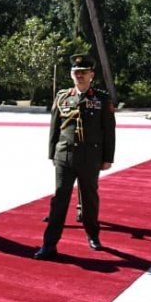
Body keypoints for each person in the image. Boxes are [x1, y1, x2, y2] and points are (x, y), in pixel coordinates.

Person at [34, 54, 116, 260]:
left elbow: (109, 130)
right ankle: (49, 244)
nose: (80, 75)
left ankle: (93, 235)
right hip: (65, 155)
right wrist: (52, 153)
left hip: (90, 156)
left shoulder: (101, 99)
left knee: (89, 198)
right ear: (72, 75)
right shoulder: (63, 97)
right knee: (59, 199)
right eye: (76, 72)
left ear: (91, 75)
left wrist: (108, 157)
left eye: (84, 72)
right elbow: (54, 127)